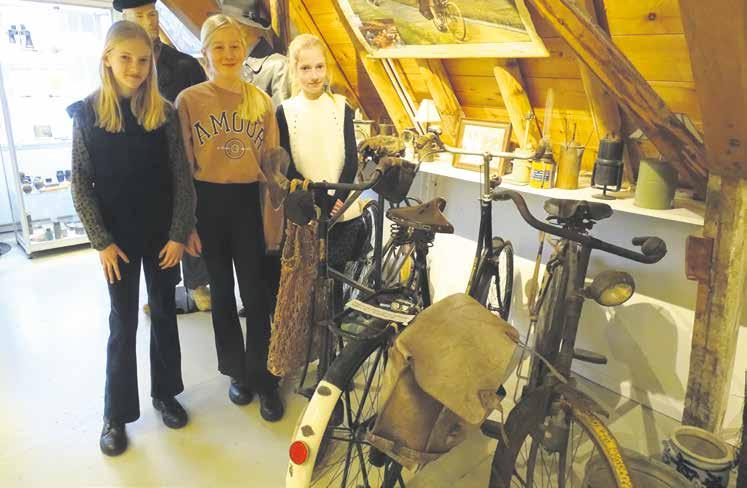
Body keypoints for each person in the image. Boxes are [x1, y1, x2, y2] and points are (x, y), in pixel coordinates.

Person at [68, 21, 197, 456]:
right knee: (122, 322)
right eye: (125, 58)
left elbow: (181, 179)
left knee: (163, 313)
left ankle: (166, 393)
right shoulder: (86, 114)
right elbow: (80, 183)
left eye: (143, 60)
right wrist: (101, 241)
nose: (135, 68)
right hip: (116, 242)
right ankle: (116, 414)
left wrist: (178, 233)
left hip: (161, 236)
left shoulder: (164, 113)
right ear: (107, 58)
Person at [175, 14, 284, 422]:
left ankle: (264, 376)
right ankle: (236, 371)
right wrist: (187, 224)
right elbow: (182, 168)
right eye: (218, 47)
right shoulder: (189, 101)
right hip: (208, 203)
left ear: (244, 50)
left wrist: (274, 220)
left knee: (256, 294)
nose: (227, 54)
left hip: (248, 204)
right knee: (221, 293)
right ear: (205, 54)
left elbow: (272, 167)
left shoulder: (261, 101)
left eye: (234, 46)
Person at [114, 0, 212, 312]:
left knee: (190, 216)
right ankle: (161, 288)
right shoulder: (119, 68)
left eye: (153, 14)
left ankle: (198, 283)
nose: (150, 21)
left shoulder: (184, 65)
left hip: (186, 157)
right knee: (153, 225)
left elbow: (205, 115)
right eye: (140, 15)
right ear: (125, 19)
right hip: (142, 162)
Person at [276, 33, 362, 312]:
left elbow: (351, 160)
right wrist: (319, 199)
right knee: (306, 292)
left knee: (335, 290)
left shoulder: (341, 107)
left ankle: (334, 338)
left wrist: (338, 199)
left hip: (343, 213)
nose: (314, 75)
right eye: (305, 68)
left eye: (319, 67)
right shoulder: (285, 112)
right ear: (294, 70)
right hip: (306, 214)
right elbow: (287, 165)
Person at [223, 0, 291, 319]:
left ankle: (272, 304)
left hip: (266, 169)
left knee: (268, 242)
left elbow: (281, 123)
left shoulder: (276, 66)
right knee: (243, 242)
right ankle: (253, 298)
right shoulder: (231, 65)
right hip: (235, 168)